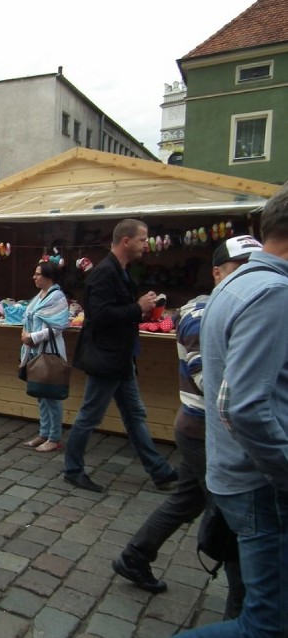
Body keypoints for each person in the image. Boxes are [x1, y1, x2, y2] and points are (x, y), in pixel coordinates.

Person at [112, 236, 262, 613]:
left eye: (255, 266)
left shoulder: (240, 307)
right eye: (239, 267)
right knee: (235, 517)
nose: (248, 275)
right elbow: (206, 378)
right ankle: (242, 611)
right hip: (206, 428)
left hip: (205, 427)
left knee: (187, 499)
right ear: (216, 273)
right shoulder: (200, 313)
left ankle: (135, 555)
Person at [176, 186, 288, 637]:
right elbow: (243, 404)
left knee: (249, 602)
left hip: (234, 471)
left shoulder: (236, 285)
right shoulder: (272, 293)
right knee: (267, 625)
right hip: (258, 481)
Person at [63, 219, 177, 493]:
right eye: (142, 239)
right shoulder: (104, 273)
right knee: (90, 416)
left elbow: (117, 311)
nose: (145, 245)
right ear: (126, 241)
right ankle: (72, 470)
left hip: (121, 357)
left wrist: (143, 307)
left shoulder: (120, 271)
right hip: (106, 358)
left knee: (135, 415)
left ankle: (161, 472)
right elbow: (100, 317)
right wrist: (137, 308)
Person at [20, 260, 70, 453]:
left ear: (49, 277)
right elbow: (29, 318)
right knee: (41, 394)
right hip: (35, 352)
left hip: (49, 352)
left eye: (38, 274)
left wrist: (32, 337)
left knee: (51, 397)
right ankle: (44, 432)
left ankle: (54, 437)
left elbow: (58, 326)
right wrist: (26, 335)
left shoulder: (57, 297)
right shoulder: (39, 296)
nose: (34, 277)